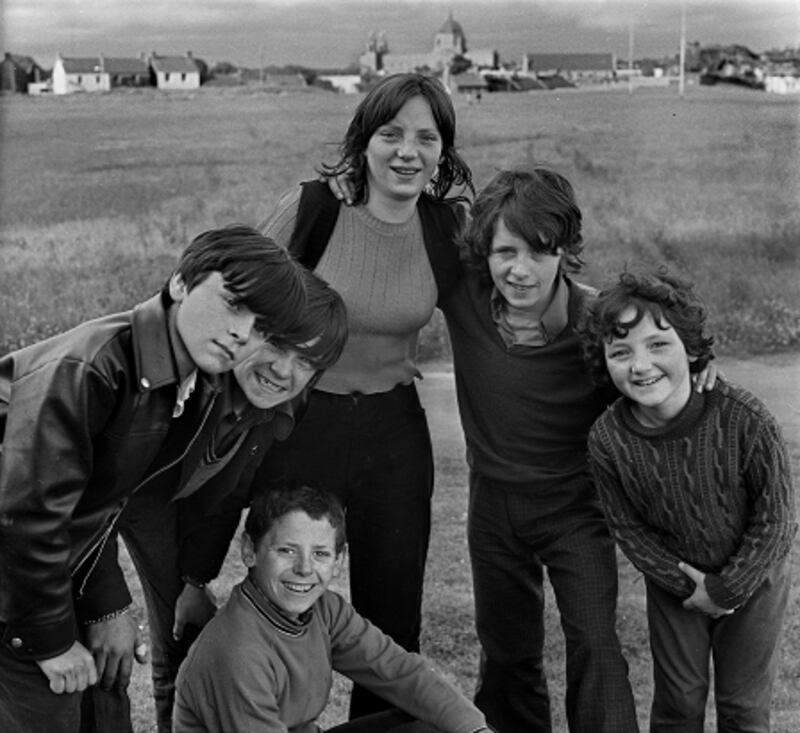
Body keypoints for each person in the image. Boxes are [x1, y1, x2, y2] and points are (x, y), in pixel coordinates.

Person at [0, 224, 308, 733]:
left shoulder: (185, 381)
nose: (241, 333)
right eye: (233, 304)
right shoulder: (95, 367)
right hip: (18, 586)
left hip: (48, 577)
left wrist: (103, 606)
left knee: (105, 704)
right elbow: (25, 514)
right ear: (181, 283)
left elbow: (99, 506)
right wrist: (48, 641)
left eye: (260, 327)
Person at [259, 71, 473, 718]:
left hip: (394, 432)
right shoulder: (314, 209)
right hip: (302, 425)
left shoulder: (448, 230)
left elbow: (519, 292)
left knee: (392, 621)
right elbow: (235, 288)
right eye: (391, 134)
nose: (408, 151)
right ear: (365, 141)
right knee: (285, 602)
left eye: (426, 138)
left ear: (443, 152)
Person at [438, 166, 641, 733]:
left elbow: (668, 354)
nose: (519, 270)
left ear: (565, 252)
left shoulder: (600, 321)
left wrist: (699, 365)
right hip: (493, 507)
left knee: (597, 645)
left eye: (538, 251)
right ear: (484, 252)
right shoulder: (465, 295)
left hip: (574, 510)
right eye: (504, 252)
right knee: (506, 655)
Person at [118, 269, 348, 733]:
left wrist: (196, 578)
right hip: (140, 496)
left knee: (187, 624)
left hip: (190, 495)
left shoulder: (279, 398)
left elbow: (226, 491)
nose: (285, 369)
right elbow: (108, 493)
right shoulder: (199, 372)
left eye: (305, 361)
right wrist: (123, 600)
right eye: (277, 345)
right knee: (168, 639)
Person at [580, 269, 796, 732]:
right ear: (605, 362)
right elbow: (629, 530)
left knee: (742, 706)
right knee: (678, 703)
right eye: (621, 352)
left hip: (754, 582)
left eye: (658, 345)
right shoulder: (607, 440)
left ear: (692, 350)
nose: (640, 365)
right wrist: (690, 589)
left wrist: (726, 589)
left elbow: (776, 518)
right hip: (676, 585)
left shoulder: (744, 418)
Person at [173, 483, 491, 733]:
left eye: (320, 554)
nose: (304, 569)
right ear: (250, 551)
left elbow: (400, 672)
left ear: (338, 560)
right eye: (286, 550)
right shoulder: (236, 652)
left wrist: (476, 729)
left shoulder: (325, 610)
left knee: (437, 721)